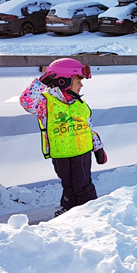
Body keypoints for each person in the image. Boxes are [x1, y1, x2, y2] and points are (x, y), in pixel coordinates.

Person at [20, 58, 107, 216]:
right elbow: (26, 100)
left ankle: (91, 213)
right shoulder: (46, 104)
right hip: (60, 154)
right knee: (68, 185)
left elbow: (88, 128)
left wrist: (98, 147)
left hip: (82, 151)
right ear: (63, 81)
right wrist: (41, 82)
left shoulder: (80, 104)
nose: (81, 85)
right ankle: (69, 212)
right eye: (78, 81)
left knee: (83, 184)